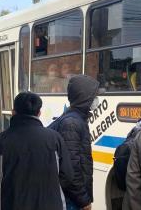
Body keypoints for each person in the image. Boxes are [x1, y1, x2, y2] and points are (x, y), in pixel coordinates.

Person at [0, 92, 74, 210]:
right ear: (39, 113)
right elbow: (68, 176)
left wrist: (5, 194)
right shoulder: (55, 139)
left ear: (13, 112)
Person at [53, 75, 100, 210]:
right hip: (71, 200)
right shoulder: (72, 123)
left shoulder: (76, 118)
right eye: (94, 96)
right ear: (84, 97)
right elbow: (72, 168)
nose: (96, 100)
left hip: (72, 198)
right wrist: (83, 200)